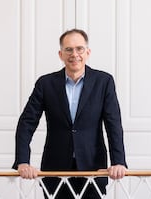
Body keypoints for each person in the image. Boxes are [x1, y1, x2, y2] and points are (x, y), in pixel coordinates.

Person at [12, 29, 127, 198]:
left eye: (79, 49)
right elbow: (26, 123)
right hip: (55, 169)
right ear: (60, 54)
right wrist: (22, 161)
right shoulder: (45, 84)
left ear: (88, 52)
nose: (75, 54)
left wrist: (118, 162)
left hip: (93, 169)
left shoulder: (104, 82)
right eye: (68, 49)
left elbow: (113, 124)